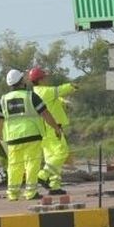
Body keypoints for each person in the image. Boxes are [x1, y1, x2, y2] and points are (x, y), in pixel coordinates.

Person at [0, 68, 61, 201]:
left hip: (13, 138)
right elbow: (45, 114)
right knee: (32, 163)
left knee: (14, 165)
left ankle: (13, 194)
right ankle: (31, 193)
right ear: (21, 81)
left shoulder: (3, 100)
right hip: (32, 135)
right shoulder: (31, 96)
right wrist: (56, 128)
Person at [28, 66, 78, 194]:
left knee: (51, 158)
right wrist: (72, 85)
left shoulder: (35, 93)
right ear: (40, 80)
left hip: (43, 129)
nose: (47, 79)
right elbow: (59, 90)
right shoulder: (46, 91)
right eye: (44, 77)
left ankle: (54, 185)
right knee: (62, 153)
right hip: (53, 128)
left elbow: (53, 98)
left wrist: (62, 101)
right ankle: (43, 175)